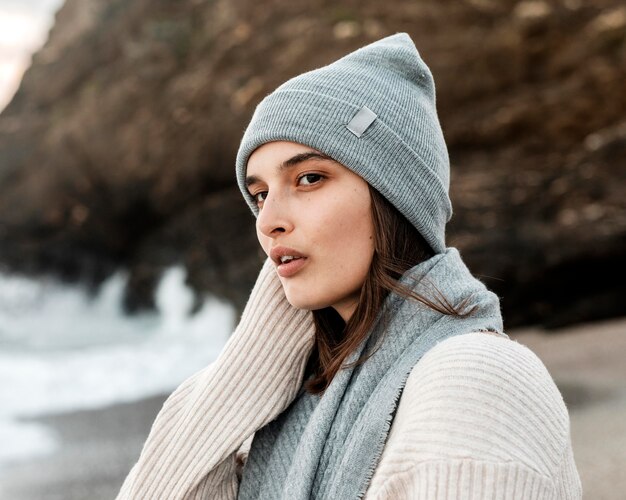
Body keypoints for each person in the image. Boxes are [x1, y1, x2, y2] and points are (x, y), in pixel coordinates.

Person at [116, 33, 582, 499]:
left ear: (394, 195)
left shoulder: (475, 381)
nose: (270, 222)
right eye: (260, 196)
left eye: (309, 178)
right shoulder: (291, 411)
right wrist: (251, 358)